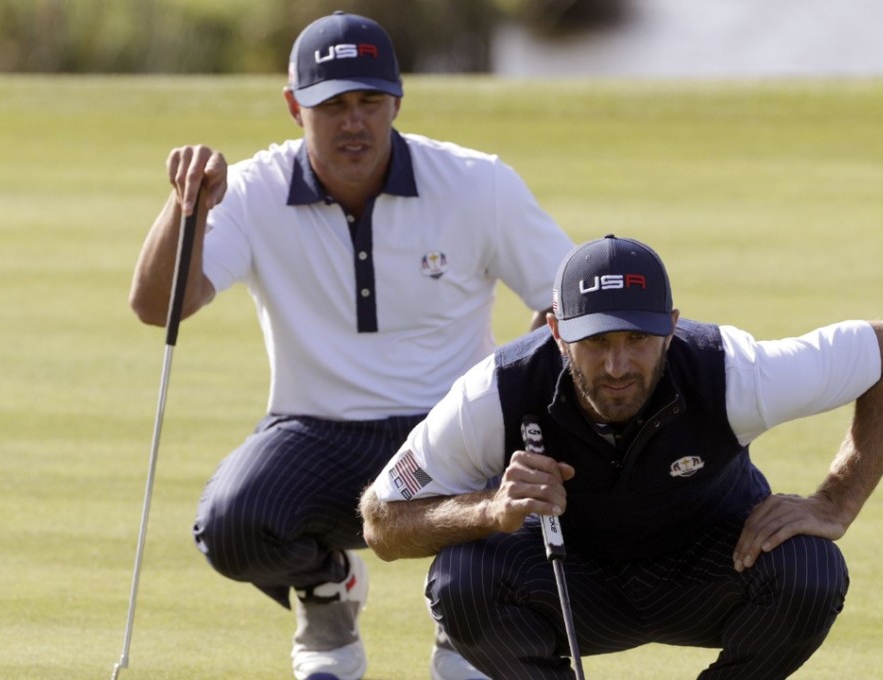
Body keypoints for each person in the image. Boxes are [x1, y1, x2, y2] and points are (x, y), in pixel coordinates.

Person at [128, 11, 575, 680]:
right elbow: (158, 304)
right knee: (232, 524)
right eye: (332, 104)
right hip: (316, 431)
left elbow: (568, 309)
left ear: (397, 100)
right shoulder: (253, 191)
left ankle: (466, 614)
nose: (354, 121)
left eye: (370, 101)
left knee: (530, 480)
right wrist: (185, 207)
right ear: (293, 107)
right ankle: (328, 591)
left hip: (451, 430)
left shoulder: (476, 184)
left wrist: (519, 390)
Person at [360, 234, 883, 679]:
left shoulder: (734, 373)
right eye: (597, 340)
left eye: (638, 338)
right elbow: (381, 521)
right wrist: (489, 510)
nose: (617, 365)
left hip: (710, 570)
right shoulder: (494, 392)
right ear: (559, 332)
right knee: (461, 582)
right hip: (569, 582)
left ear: (671, 327)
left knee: (810, 568)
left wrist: (835, 502)